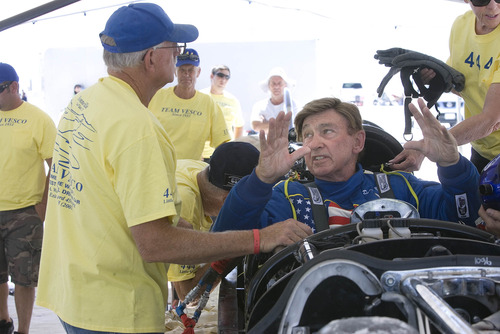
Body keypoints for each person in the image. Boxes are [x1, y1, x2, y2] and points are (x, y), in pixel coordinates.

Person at [35, 4, 311, 334]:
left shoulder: (83, 103)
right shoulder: (137, 127)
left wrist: (171, 221)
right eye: (174, 49)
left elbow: (80, 190)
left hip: (71, 292)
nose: (179, 58)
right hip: (115, 309)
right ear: (151, 58)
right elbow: (155, 245)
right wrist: (261, 238)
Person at [212, 97, 481, 234]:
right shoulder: (287, 197)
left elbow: (464, 218)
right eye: (307, 135)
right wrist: (260, 179)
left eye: (327, 132)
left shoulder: (403, 188)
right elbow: (224, 239)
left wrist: (452, 165)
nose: (314, 143)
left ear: (358, 141)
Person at [390, 0, 500, 173]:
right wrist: (436, 78)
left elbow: (490, 119)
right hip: (481, 149)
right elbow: (463, 86)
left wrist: (434, 143)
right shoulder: (461, 26)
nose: (493, 7)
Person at [0, 63, 56, 334]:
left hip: (24, 212)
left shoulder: (38, 119)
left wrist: (43, 206)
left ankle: (23, 330)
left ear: (13, 87)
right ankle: (3, 322)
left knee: (24, 278)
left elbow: (56, 165)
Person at [168, 141, 259, 301]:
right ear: (228, 201)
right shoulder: (185, 204)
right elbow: (187, 294)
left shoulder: (197, 169)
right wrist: (241, 244)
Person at [148, 48, 230, 160]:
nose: (186, 74)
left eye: (191, 70)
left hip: (189, 173)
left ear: (198, 72)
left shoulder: (208, 104)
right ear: (175, 71)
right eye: (182, 70)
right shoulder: (157, 96)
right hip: (159, 167)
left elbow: (223, 142)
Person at [200, 65, 245, 161]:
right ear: (212, 76)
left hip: (225, 154)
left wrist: (234, 148)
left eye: (227, 77)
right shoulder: (200, 96)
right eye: (220, 75)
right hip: (203, 154)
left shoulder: (233, 100)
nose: (223, 79)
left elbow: (239, 126)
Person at [251, 67, 298, 135]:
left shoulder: (294, 105)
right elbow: (256, 126)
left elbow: (295, 127)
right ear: (269, 86)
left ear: (285, 85)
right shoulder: (259, 105)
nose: (276, 87)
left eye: (279, 83)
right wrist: (283, 124)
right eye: (273, 83)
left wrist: (266, 124)